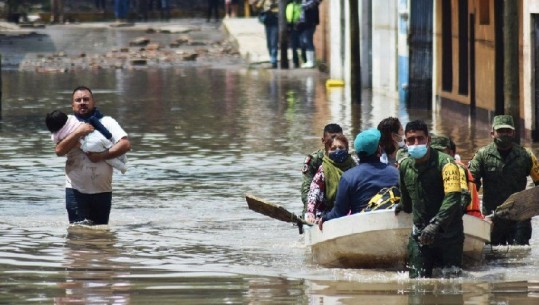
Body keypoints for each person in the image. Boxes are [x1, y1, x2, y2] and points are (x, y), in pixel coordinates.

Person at [52, 86, 131, 225]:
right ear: (73, 105)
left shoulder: (107, 122)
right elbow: (59, 150)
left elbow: (125, 145)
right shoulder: (66, 125)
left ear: (93, 102)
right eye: (78, 100)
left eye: (86, 99)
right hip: (76, 191)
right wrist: (78, 132)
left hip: (103, 191)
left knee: (101, 236)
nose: (82, 102)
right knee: (77, 235)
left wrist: (102, 155)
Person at [395, 120, 463, 278]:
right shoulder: (405, 166)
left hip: (449, 236)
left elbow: (453, 198)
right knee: (417, 284)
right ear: (405, 142)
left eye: (420, 139)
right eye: (411, 140)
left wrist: (435, 225)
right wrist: (401, 206)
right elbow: (407, 203)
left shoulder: (447, 163)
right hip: (420, 236)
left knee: (451, 287)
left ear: (429, 140)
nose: (416, 143)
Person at [468, 115, 539, 245]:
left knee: (519, 256)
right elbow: (471, 186)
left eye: (508, 131)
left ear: (513, 133)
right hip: (492, 218)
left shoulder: (526, 155)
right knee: (492, 258)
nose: (504, 134)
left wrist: (532, 207)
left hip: (520, 218)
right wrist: (474, 215)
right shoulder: (482, 156)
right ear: (492, 133)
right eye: (500, 131)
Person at [318, 128, 399, 229]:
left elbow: (339, 212)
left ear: (357, 153)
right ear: (379, 150)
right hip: (391, 224)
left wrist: (325, 218)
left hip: (361, 228)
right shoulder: (395, 173)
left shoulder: (348, 177)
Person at [46, 110, 127, 174]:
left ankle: (122, 167)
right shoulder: (73, 119)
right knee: (110, 146)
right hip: (96, 135)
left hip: (88, 145)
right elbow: (59, 151)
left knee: (109, 159)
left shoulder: (58, 135)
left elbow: (57, 144)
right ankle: (123, 158)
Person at [305, 134, 356, 223]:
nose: (337, 151)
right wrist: (310, 213)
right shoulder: (324, 169)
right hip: (327, 214)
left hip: (351, 212)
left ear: (347, 149)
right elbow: (314, 193)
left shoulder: (354, 166)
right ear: (328, 151)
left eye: (341, 147)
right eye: (333, 149)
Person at [430, 135, 483, 219]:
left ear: (450, 153)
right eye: (434, 152)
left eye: (440, 152)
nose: (438, 156)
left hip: (468, 219)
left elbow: (462, 198)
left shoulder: (456, 168)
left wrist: (438, 222)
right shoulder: (434, 168)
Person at [301, 123, 344, 214]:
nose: (335, 142)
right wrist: (310, 211)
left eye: (339, 139)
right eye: (331, 139)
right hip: (318, 207)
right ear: (323, 141)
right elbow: (306, 190)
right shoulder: (314, 161)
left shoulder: (349, 161)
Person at [254, 0, 279, 68]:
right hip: (267, 23)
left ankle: (273, 61)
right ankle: (272, 58)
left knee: (274, 42)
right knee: (269, 43)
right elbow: (257, 6)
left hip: (275, 23)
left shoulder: (277, 2)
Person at [298, 0, 322, 68]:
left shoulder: (313, 2)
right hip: (305, 23)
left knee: (308, 41)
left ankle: (311, 61)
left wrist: (302, 6)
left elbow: (305, 7)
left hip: (310, 23)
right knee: (306, 41)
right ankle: (309, 61)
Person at [286, 0, 305, 68]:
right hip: (299, 26)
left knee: (295, 45)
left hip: (294, 26)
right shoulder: (299, 5)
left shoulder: (290, 6)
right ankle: (302, 60)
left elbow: (289, 19)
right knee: (301, 44)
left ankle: (296, 61)